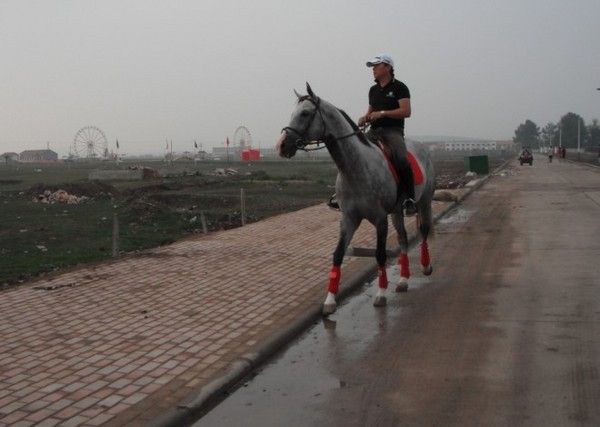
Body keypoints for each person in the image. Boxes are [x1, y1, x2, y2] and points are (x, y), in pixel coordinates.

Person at [328, 53, 416, 216]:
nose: (373, 70)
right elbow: (370, 112)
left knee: (402, 159)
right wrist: (364, 118)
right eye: (372, 67)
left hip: (392, 132)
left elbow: (406, 111)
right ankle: (342, 195)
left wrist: (382, 113)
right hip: (373, 131)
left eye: (376, 66)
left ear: (388, 67)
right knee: (353, 154)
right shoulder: (373, 90)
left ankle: (409, 199)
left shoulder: (400, 87)